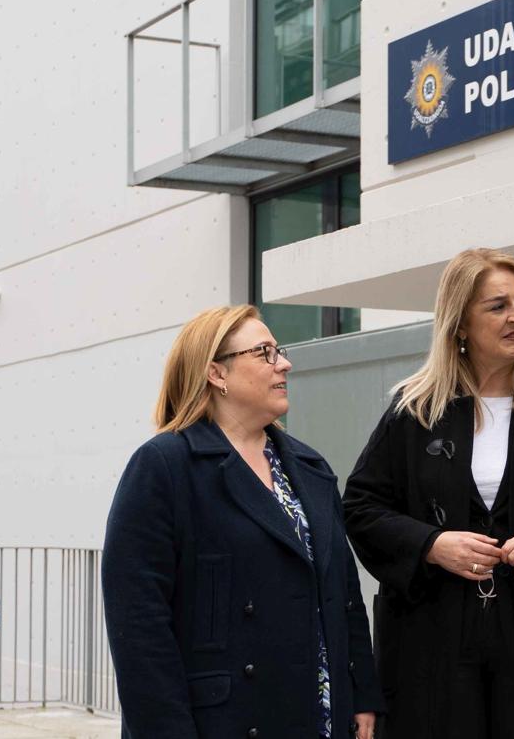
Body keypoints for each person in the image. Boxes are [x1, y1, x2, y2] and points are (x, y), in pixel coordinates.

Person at [343, 248, 514, 739]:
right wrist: (432, 545)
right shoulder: (414, 411)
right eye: (497, 306)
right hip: (435, 644)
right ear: (460, 325)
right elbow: (362, 509)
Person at [102, 305, 383, 739]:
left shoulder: (310, 467)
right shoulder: (164, 467)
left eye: (279, 352)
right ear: (217, 373)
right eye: (265, 353)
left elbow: (344, 593)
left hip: (322, 716)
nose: (284, 363)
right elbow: (139, 629)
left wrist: (363, 693)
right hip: (224, 720)